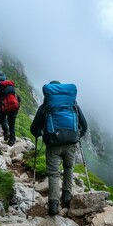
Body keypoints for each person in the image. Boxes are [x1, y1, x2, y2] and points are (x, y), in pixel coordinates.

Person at [30, 81, 88, 216]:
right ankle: (67, 196)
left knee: (54, 174)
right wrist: (76, 137)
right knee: (69, 168)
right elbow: (84, 126)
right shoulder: (73, 106)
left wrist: (41, 134)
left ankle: (53, 205)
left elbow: (34, 129)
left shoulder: (45, 107)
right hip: (71, 144)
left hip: (53, 145)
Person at [0, 80, 21, 146]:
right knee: (12, 125)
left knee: (2, 120)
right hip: (14, 109)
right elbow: (19, 99)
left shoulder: (2, 90)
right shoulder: (13, 91)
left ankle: (6, 131)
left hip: (5, 108)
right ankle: (12, 141)